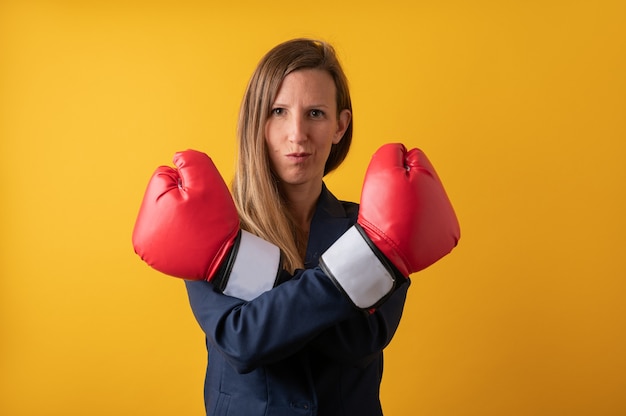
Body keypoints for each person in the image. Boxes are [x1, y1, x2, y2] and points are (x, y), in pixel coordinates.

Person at [132, 38, 460, 416]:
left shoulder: (372, 222)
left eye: (316, 113)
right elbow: (242, 340)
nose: (297, 134)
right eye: (278, 111)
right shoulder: (212, 222)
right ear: (257, 122)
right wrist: (369, 257)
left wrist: (242, 271)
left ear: (340, 125)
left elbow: (361, 340)